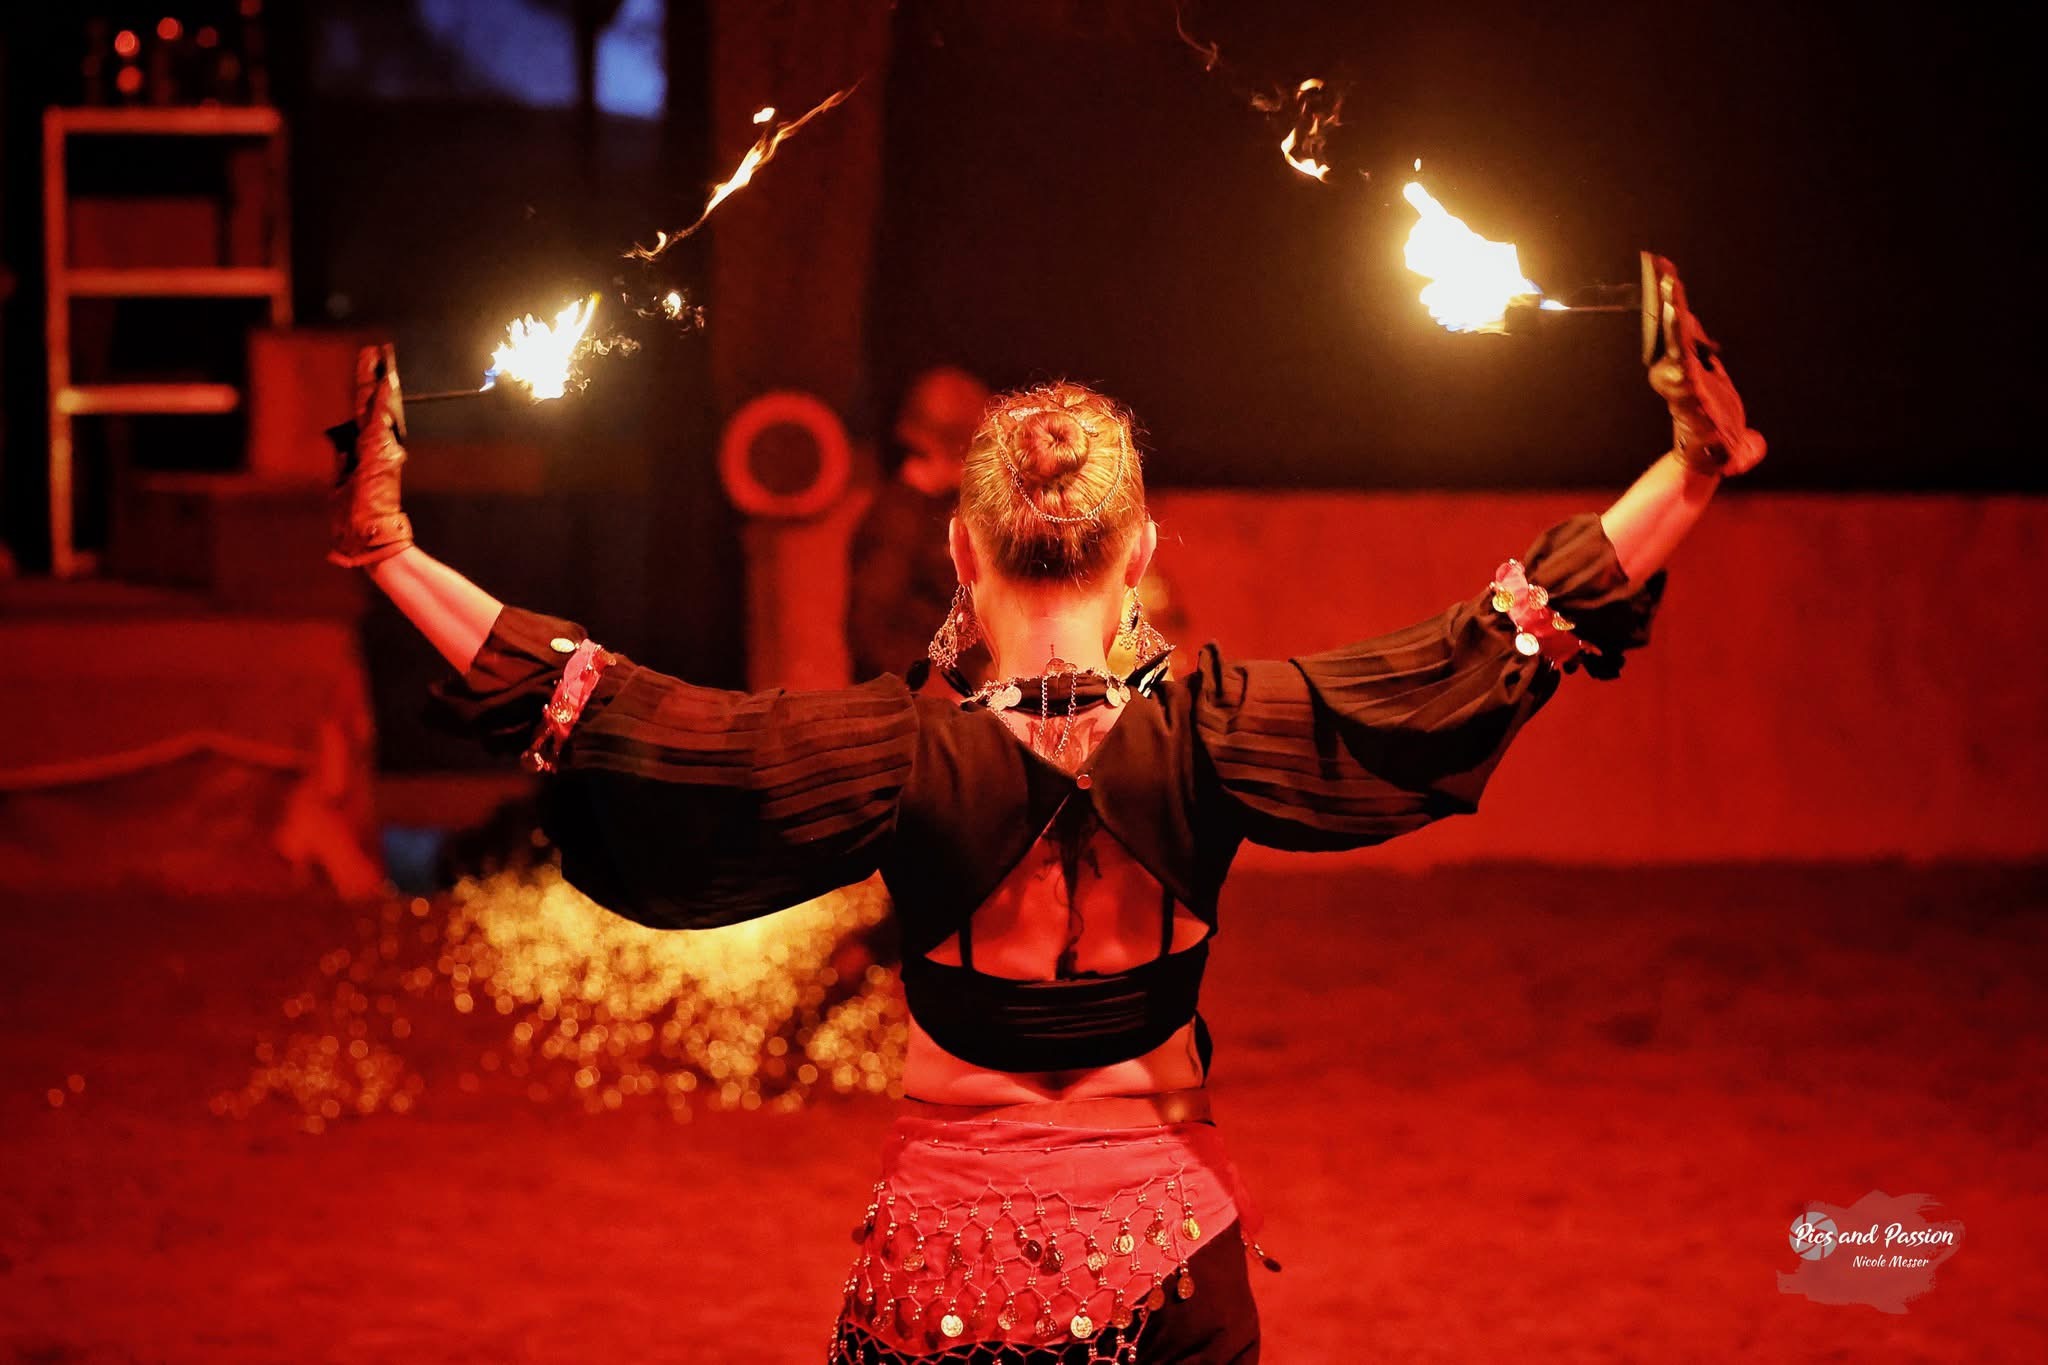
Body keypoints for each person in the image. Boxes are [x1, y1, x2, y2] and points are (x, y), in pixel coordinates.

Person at [328, 262, 1762, 1363]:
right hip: (1172, 1268)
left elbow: (605, 708)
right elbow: (1503, 635)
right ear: (1141, 551)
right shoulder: (1216, 731)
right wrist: (1691, 470)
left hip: (939, 1286)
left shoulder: (889, 751)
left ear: (960, 549)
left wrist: (389, 548)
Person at [848, 364, 994, 686]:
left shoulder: (940, 509)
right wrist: (938, 687)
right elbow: (872, 634)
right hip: (920, 697)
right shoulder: (896, 520)